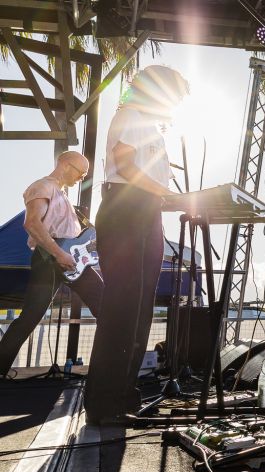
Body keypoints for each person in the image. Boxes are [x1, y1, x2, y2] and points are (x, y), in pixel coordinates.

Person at [83, 66, 189, 425]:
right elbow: (126, 167)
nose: (174, 104)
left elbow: (149, 178)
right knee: (122, 309)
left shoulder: (150, 125)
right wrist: (168, 194)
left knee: (140, 309)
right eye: (173, 95)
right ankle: (103, 403)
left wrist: (173, 198)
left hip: (146, 211)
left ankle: (124, 395)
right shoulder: (130, 115)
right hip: (126, 208)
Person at [0, 152, 104, 377]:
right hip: (50, 258)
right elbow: (32, 224)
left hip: (70, 259)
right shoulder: (42, 186)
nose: (82, 178)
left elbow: (74, 238)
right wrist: (59, 254)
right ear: (66, 164)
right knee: (30, 316)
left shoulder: (63, 196)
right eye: (81, 172)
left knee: (105, 305)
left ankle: (107, 368)